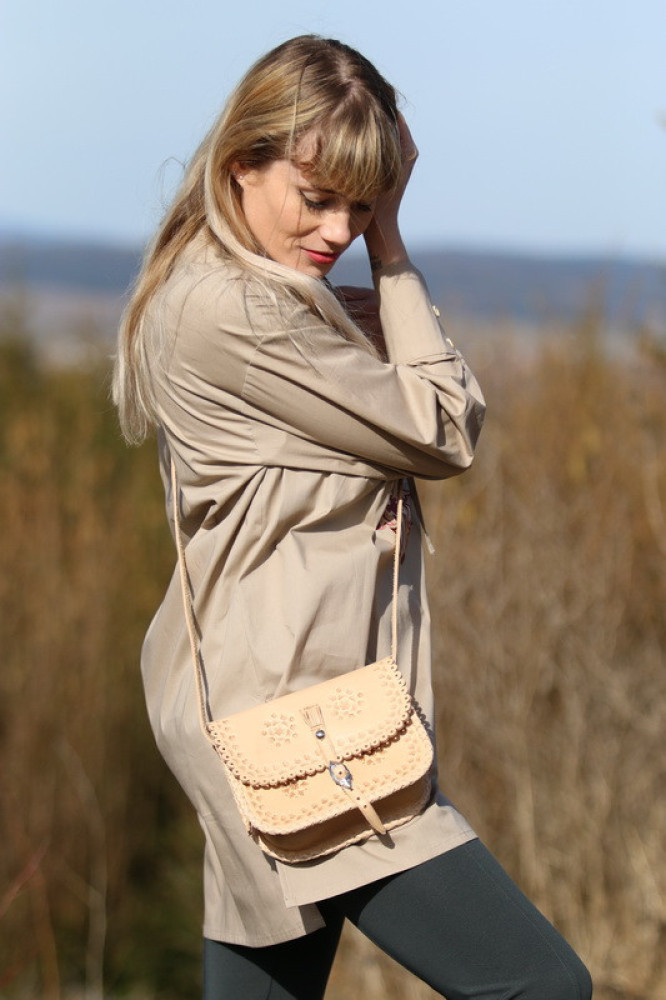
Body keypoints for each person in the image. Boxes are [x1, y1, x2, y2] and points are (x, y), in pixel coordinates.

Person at [113, 34, 592, 1000]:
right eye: (318, 197)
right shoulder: (236, 313)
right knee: (544, 987)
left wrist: (350, 316)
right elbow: (443, 427)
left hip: (283, 706)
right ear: (242, 163)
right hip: (309, 726)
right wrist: (393, 251)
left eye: (365, 204)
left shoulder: (254, 291)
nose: (339, 230)